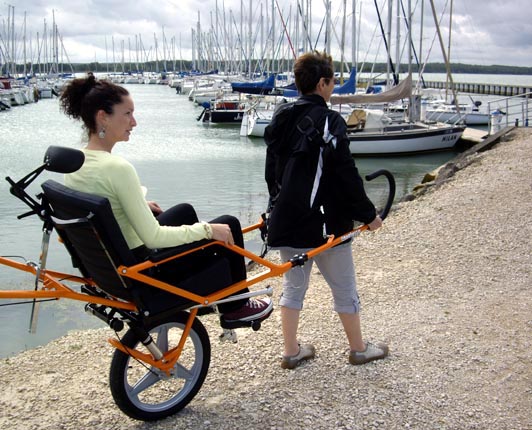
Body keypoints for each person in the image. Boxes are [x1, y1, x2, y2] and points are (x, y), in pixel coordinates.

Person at [59, 73, 272, 324]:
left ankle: (225, 297)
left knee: (183, 210)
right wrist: (207, 230)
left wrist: (137, 205)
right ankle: (236, 306)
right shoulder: (117, 168)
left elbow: (104, 206)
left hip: (113, 266)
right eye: (127, 114)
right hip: (146, 271)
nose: (134, 122)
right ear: (102, 116)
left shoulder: (76, 165)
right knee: (228, 224)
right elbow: (153, 238)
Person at [264, 51, 388, 369]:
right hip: (325, 224)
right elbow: (345, 173)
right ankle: (359, 350)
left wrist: (275, 207)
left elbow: (272, 172)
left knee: (293, 288)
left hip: (286, 218)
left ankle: (291, 352)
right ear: (322, 83)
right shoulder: (331, 121)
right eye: (332, 81)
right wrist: (369, 215)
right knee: (344, 287)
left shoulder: (281, 116)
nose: (333, 87)